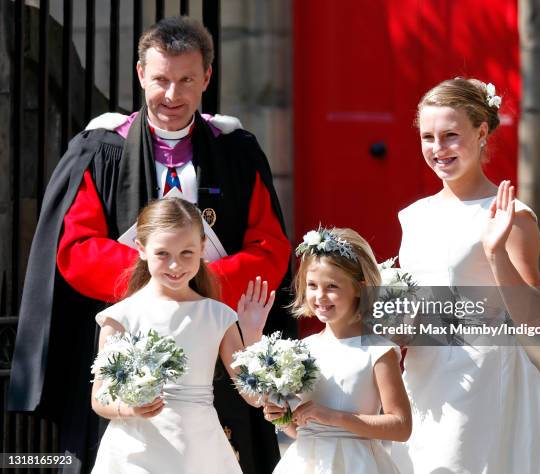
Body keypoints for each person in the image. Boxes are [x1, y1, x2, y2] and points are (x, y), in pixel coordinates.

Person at [8, 16, 291, 473]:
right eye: (160, 80)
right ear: (140, 74)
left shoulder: (236, 149)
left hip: (212, 327)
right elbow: (76, 248)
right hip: (127, 324)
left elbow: (270, 245)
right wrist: (158, 283)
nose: (172, 96)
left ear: (207, 78)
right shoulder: (100, 148)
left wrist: (201, 284)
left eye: (186, 80)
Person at [390, 78, 540, 473]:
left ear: (482, 132)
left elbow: (534, 320)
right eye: (428, 137)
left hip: (480, 379)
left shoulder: (511, 216)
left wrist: (495, 252)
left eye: (451, 136)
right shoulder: (413, 216)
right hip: (422, 378)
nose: (438, 149)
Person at [90, 198, 274, 473]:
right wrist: (129, 409)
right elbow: (100, 398)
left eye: (186, 253)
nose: (175, 266)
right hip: (135, 450)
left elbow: (254, 396)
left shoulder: (217, 315)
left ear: (202, 248)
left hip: (199, 450)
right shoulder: (122, 317)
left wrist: (253, 337)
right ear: (141, 249)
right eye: (163, 253)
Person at [264, 227, 412, 474]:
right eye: (312, 285)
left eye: (332, 286)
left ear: (359, 288)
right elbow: (302, 428)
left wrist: (335, 417)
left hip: (357, 465)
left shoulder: (377, 351)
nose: (320, 296)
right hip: (306, 464)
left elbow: (401, 425)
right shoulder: (304, 349)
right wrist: (283, 416)